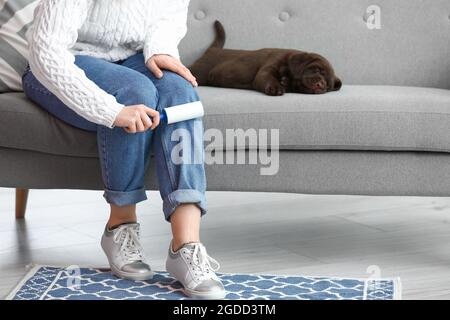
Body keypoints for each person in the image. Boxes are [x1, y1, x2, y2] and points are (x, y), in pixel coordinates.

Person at [22, 0, 225, 300]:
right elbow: (46, 53)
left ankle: (186, 246)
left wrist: (159, 50)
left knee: (181, 93)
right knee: (135, 92)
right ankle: (120, 225)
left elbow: (168, 15)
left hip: (131, 58)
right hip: (64, 62)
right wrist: (110, 111)